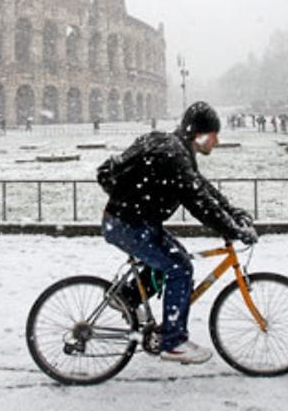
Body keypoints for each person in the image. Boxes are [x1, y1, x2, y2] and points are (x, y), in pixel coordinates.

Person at [96, 101, 258, 365]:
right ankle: (173, 342)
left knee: (176, 256)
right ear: (201, 134)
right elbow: (200, 204)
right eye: (214, 135)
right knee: (179, 268)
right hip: (129, 225)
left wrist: (232, 212)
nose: (216, 141)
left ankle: (126, 297)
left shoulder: (176, 148)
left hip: (129, 220)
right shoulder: (174, 156)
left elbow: (202, 188)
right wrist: (232, 229)